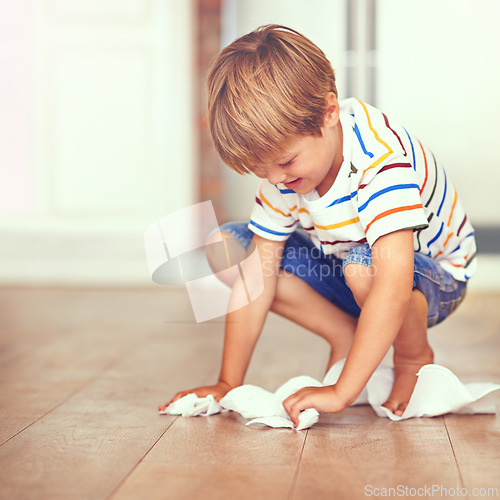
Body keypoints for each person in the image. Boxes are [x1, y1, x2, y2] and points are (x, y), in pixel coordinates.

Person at [158, 24, 476, 426]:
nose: (274, 179)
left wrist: (342, 390)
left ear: (328, 113)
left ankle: (412, 356)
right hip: (347, 266)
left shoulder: (380, 162)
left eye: (286, 162)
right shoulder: (283, 170)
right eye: (260, 168)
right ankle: (346, 334)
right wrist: (227, 383)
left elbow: (394, 284)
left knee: (365, 267)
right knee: (230, 247)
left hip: (431, 281)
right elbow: (258, 276)